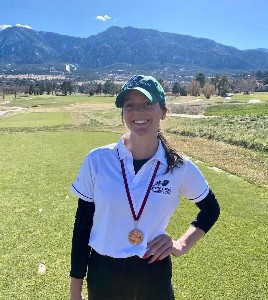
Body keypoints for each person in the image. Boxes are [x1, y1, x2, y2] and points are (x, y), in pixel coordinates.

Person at [69, 75, 220, 300]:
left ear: (163, 111)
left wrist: (180, 244)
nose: (138, 112)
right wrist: (75, 292)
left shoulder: (178, 166)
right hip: (104, 272)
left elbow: (211, 209)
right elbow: (82, 228)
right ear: (122, 114)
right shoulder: (97, 160)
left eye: (147, 104)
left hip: (153, 271)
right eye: (130, 105)